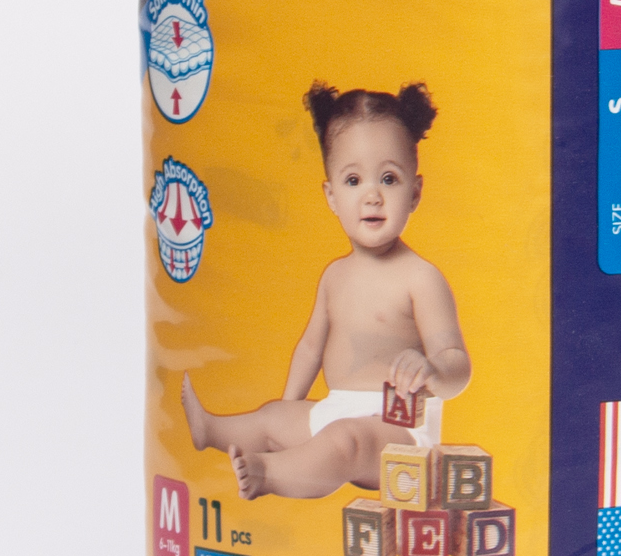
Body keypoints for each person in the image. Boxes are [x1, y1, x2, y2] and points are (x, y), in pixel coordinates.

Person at [180, 80, 470, 499]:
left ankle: (269, 474)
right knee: (272, 417)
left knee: (344, 442)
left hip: (398, 431)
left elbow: (457, 362)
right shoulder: (334, 275)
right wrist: (289, 407)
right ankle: (210, 430)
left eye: (389, 178)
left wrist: (435, 371)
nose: (372, 196)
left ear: (415, 193)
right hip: (337, 409)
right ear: (331, 196)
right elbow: (310, 348)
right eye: (353, 180)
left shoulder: (421, 278)